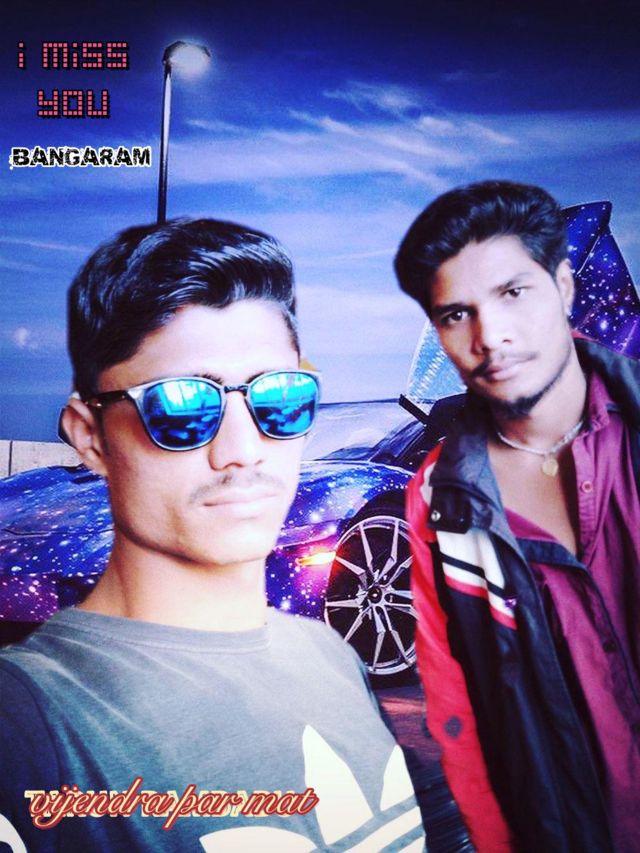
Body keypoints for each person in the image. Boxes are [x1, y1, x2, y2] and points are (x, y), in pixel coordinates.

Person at [0, 218, 426, 852]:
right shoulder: (24, 724)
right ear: (88, 436)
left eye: (280, 400)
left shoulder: (334, 659)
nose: (241, 450)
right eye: (181, 405)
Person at [394, 180, 640, 853]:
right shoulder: (438, 498)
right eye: (456, 313)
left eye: (512, 293)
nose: (490, 336)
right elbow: (458, 712)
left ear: (563, 287)